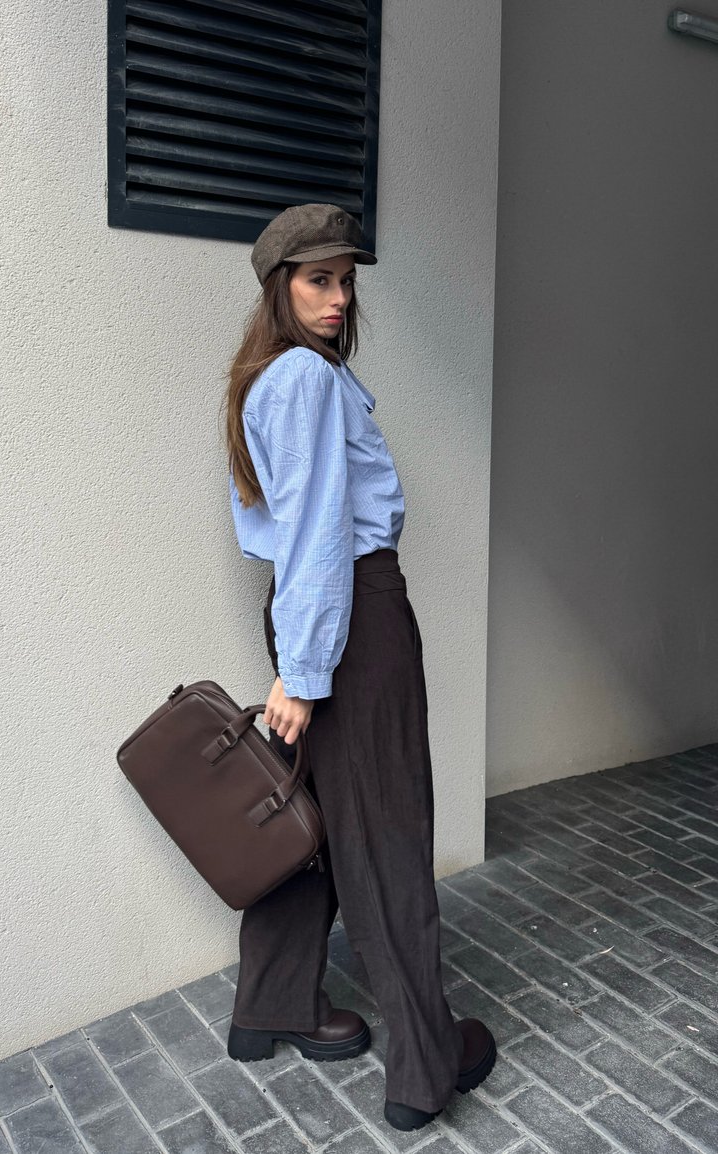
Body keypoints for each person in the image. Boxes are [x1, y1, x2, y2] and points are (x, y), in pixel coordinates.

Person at [224, 203, 496, 1132]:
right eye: (318, 280)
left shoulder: (267, 377)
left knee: (318, 820)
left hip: (317, 615)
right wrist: (304, 673)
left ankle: (274, 1000)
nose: (339, 299)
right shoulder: (302, 377)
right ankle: (426, 1061)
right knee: (386, 830)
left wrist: (298, 658)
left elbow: (284, 536)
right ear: (280, 289)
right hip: (354, 617)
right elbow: (315, 536)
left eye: (345, 280)